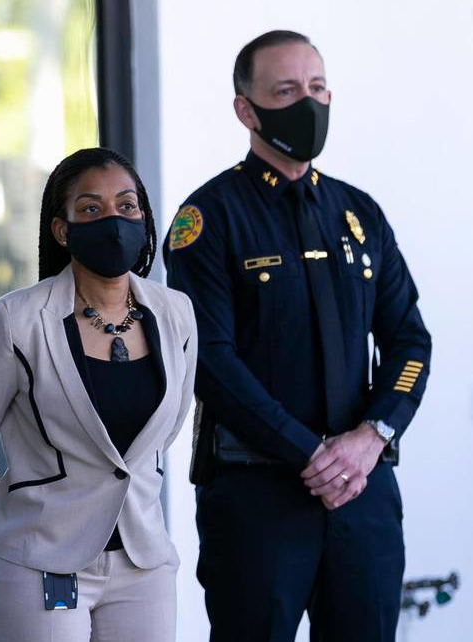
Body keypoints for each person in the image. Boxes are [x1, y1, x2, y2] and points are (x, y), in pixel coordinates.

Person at [163, 30, 431, 641]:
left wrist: (372, 436)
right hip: (258, 499)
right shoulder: (208, 218)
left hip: (362, 494)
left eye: (316, 88)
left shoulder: (358, 214)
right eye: (285, 90)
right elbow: (213, 363)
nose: (306, 103)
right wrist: (310, 454)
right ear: (245, 109)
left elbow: (410, 340)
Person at [0, 147, 197, 642]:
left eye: (127, 206)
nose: (113, 221)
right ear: (62, 229)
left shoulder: (176, 314)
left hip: (143, 560)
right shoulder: (14, 320)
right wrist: (11, 516)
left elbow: (168, 426)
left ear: (144, 218)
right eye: (91, 209)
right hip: (39, 558)